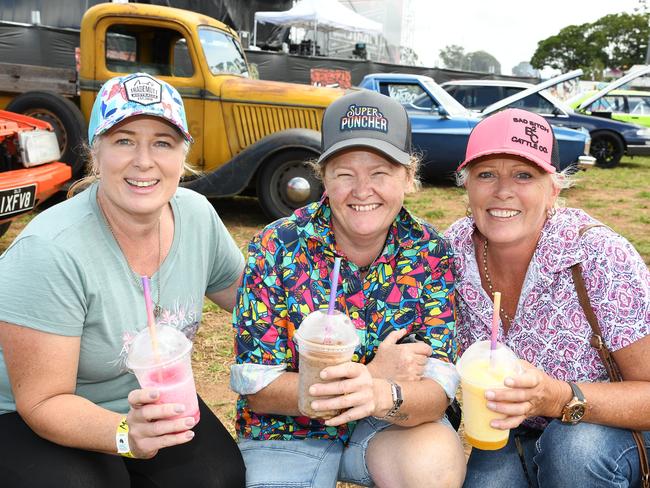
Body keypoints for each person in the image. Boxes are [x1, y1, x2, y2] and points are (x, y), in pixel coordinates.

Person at [0, 72, 246, 487]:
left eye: (162, 143)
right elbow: (42, 401)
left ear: (182, 155)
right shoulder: (50, 250)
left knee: (219, 478)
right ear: (96, 153)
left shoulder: (198, 215)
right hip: (34, 415)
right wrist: (126, 435)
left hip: (154, 403)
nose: (144, 161)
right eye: (124, 140)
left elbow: (252, 301)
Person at [231, 90, 466, 488]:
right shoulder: (276, 246)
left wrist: (377, 393)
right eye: (344, 173)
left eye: (380, 172)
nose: (362, 190)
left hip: (387, 424)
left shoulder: (430, 252)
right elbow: (258, 388)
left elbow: (438, 389)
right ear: (323, 176)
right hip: (287, 433)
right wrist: (366, 374)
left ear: (408, 177)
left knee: (434, 465)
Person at [446, 108, 650, 487]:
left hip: (613, 428)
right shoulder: (451, 251)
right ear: (466, 185)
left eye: (524, 175)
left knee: (573, 451)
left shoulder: (599, 255)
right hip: (514, 430)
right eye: (486, 174)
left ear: (553, 188)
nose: (502, 191)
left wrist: (557, 397)